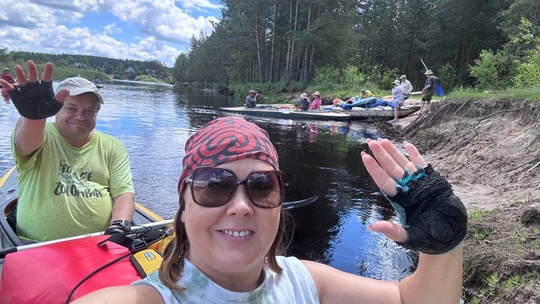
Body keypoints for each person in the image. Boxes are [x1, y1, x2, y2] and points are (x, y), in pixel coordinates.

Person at [73, 116, 467, 304]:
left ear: (279, 201)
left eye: (262, 186)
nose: (241, 206)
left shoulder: (306, 283)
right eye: (215, 186)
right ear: (183, 202)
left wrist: (444, 246)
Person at [0, 60, 135, 242]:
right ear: (56, 109)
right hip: (34, 247)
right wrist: (33, 117)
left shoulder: (113, 146)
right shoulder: (41, 134)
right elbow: (26, 143)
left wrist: (118, 227)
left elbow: (123, 193)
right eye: (71, 108)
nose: (80, 116)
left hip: (98, 247)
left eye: (89, 111)